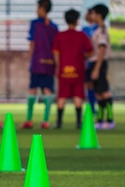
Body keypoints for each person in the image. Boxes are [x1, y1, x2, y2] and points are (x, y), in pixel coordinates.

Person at [53, 9, 93, 129]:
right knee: (78, 94)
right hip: (78, 69)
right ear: (77, 21)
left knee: (62, 95)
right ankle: (78, 122)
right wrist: (83, 57)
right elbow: (90, 51)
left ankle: (59, 122)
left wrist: (58, 66)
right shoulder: (81, 35)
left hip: (63, 70)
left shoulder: (60, 35)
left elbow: (56, 52)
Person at [23, 0, 58, 129]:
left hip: (37, 61)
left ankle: (29, 120)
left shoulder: (35, 24)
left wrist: (30, 58)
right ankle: (45, 120)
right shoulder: (54, 26)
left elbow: (32, 43)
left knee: (33, 89)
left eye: (38, 8)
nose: (36, 10)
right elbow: (55, 47)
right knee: (47, 89)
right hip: (49, 62)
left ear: (43, 8)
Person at [89, 3, 115, 129]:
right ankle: (100, 119)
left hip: (100, 63)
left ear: (99, 15)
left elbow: (102, 50)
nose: (91, 16)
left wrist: (97, 69)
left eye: (93, 13)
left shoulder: (102, 31)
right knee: (98, 93)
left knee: (104, 92)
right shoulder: (97, 30)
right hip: (96, 62)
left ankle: (110, 119)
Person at [82, 7, 99, 117]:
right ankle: (91, 107)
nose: (87, 16)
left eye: (90, 13)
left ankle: (98, 106)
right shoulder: (84, 29)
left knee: (97, 85)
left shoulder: (99, 29)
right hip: (87, 61)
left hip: (96, 60)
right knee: (89, 84)